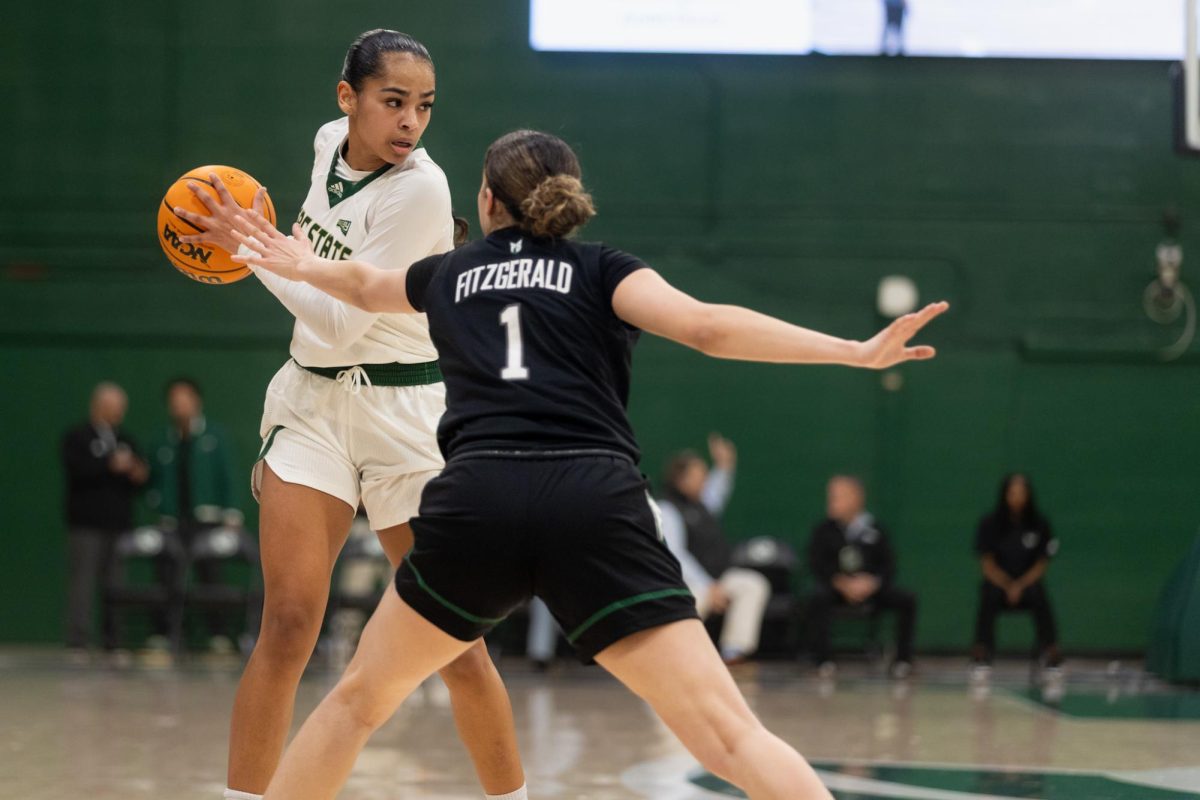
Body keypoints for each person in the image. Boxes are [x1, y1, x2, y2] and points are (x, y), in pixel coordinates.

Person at [232, 127, 947, 800]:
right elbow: (706, 326)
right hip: (593, 500)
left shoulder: (448, 273)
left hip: (479, 501)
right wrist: (854, 351)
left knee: (355, 705)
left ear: (486, 201)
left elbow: (359, 285)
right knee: (731, 737)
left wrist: (281, 255)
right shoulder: (605, 270)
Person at [169, 29, 526, 800]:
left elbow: (338, 317)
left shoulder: (421, 190)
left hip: (406, 410)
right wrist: (266, 246)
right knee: (290, 621)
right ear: (348, 100)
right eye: (393, 102)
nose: (410, 122)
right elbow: (313, 298)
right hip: (314, 403)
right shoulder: (327, 143)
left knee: (456, 646)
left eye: (423, 107)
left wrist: (252, 251)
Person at [145, 377, 243, 653]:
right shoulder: (164, 440)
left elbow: (228, 476)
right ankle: (165, 635)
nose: (180, 405)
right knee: (166, 575)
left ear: (196, 400)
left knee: (211, 577)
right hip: (173, 523)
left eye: (185, 398)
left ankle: (218, 636)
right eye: (175, 400)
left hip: (209, 522)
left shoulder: (215, 436)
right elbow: (151, 478)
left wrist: (231, 515)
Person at [658, 436, 770, 664]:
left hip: (718, 578)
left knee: (752, 584)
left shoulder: (702, 503)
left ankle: (733, 652)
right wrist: (709, 586)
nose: (704, 480)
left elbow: (718, 490)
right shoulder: (667, 509)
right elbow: (676, 555)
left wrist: (725, 464)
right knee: (695, 600)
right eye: (699, 476)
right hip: (687, 583)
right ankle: (674, 657)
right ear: (682, 479)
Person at [60, 382, 149, 658]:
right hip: (86, 524)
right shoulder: (77, 437)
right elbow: (77, 470)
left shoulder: (126, 440)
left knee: (116, 584)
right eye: (114, 407)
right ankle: (78, 642)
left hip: (118, 524)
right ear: (99, 406)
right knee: (83, 583)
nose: (119, 412)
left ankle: (114, 641)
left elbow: (139, 478)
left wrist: (136, 472)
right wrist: (108, 465)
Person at [806, 475, 917, 679]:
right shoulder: (824, 530)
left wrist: (871, 583)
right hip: (837, 589)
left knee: (907, 598)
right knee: (817, 598)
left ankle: (903, 662)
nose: (832, 502)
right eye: (831, 497)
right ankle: (822, 661)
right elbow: (817, 564)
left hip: (871, 590)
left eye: (838, 497)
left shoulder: (876, 529)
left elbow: (888, 566)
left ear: (856, 498)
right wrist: (841, 583)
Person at [970, 473, 1062, 678]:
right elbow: (987, 565)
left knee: (1039, 595)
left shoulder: (1039, 524)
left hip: (1027, 584)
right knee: (988, 593)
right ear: (1005, 495)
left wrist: (1020, 585)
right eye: (1013, 493)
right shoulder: (990, 523)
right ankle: (982, 653)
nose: (1017, 497)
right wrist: (1007, 584)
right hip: (999, 584)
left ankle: (1050, 652)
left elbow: (1041, 564)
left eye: (1022, 493)